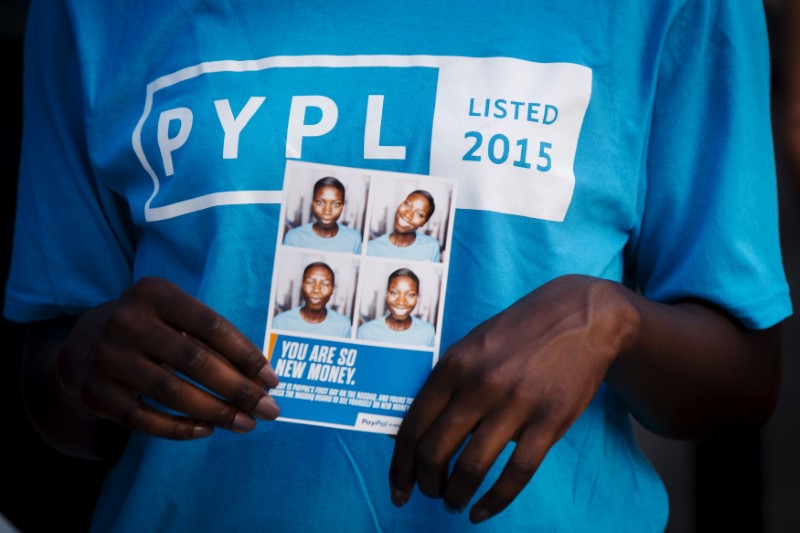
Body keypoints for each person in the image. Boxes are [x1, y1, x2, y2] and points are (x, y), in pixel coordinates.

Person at [4, 0, 792, 531]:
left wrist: (610, 320)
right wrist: (83, 364)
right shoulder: (91, 15)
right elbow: (49, 388)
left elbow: (745, 379)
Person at [357, 268, 436, 347]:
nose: (401, 302)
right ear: (386, 293)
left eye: (410, 295)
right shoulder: (366, 332)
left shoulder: (428, 333)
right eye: (393, 293)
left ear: (417, 297)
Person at [283, 176, 363, 254]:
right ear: (312, 202)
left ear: (342, 206)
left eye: (336, 204)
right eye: (319, 202)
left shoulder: (354, 239)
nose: (327, 211)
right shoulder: (293, 238)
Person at [272, 261, 351, 338]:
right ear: (302, 285)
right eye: (310, 282)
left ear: (333, 289)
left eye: (325, 284)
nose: (316, 290)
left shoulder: (343, 326)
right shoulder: (280, 322)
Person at [366, 190, 441, 262]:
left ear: (424, 223)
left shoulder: (432, 247)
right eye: (407, 204)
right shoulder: (370, 248)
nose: (408, 214)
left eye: (419, 214)